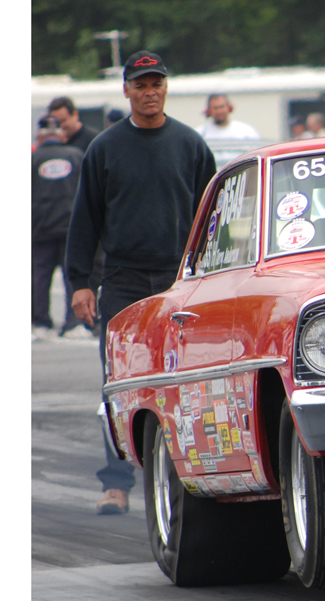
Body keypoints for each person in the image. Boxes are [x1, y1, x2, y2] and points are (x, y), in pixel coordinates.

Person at [65, 50, 216, 515]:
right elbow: (85, 220)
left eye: (157, 84)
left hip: (179, 279)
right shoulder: (105, 148)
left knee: (186, 379)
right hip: (125, 279)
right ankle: (116, 484)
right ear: (126, 90)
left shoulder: (190, 144)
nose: (150, 92)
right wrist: (79, 282)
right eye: (141, 85)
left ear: (166, 88)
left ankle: (193, 477)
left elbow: (215, 217)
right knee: (118, 381)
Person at [32, 117, 86, 341]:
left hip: (40, 229)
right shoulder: (76, 156)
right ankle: (74, 323)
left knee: (39, 277)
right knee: (72, 276)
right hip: (71, 229)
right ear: (60, 134)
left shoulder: (32, 159)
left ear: (41, 135)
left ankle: (40, 322)